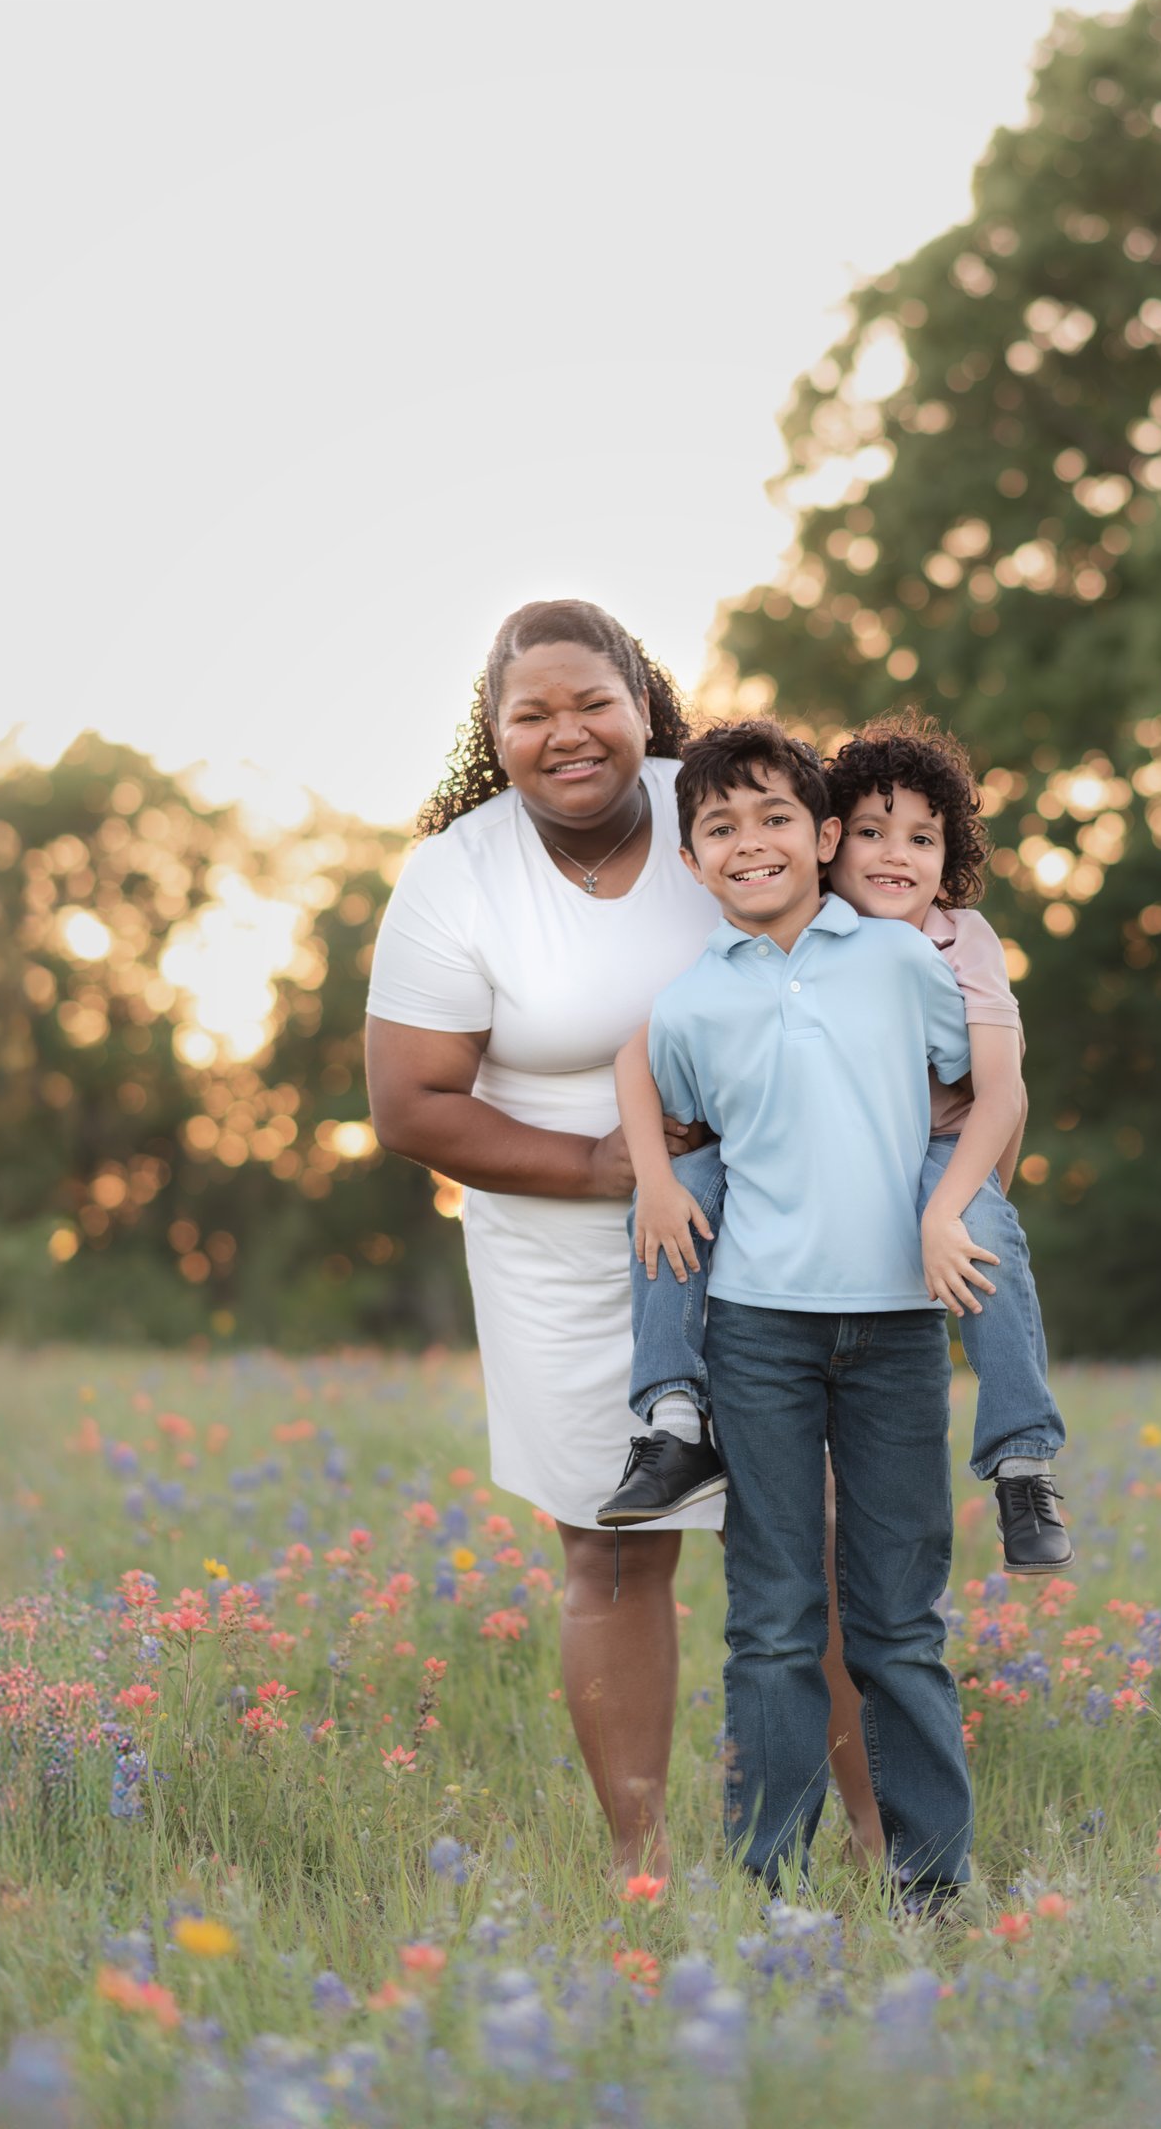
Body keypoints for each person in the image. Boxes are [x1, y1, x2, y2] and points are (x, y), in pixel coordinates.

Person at [364, 598, 723, 1882]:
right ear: (495, 732)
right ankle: (644, 1867)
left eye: (592, 704)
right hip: (567, 1257)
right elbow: (410, 1103)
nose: (565, 734)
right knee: (615, 1548)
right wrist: (596, 1165)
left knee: (831, 1536)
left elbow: (881, 932)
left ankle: (884, 1852)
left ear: (644, 705)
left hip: (773, 1230)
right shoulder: (459, 871)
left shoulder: (725, 806)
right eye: (531, 714)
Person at [611, 718, 976, 1897]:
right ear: (691, 861)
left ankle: (931, 1885)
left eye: (775, 817)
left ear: (824, 837)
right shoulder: (689, 1006)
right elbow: (664, 1112)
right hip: (758, 1328)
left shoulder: (897, 958)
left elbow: (969, 1091)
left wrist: (957, 1213)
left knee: (897, 1623)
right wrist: (659, 1176)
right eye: (719, 826)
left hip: (899, 1330)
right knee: (770, 1620)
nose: (749, 841)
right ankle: (765, 1884)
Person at [600, 711, 1072, 1577]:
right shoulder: (785, 921)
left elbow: (1003, 1093)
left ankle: (1022, 1460)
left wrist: (950, 1207)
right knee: (675, 1196)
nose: (896, 856)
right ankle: (671, 1423)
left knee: (985, 1232)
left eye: (923, 838)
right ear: (830, 844)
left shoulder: (950, 943)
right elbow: (641, 1049)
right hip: (788, 1162)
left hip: (938, 1146)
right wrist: (656, 1174)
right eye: (871, 833)